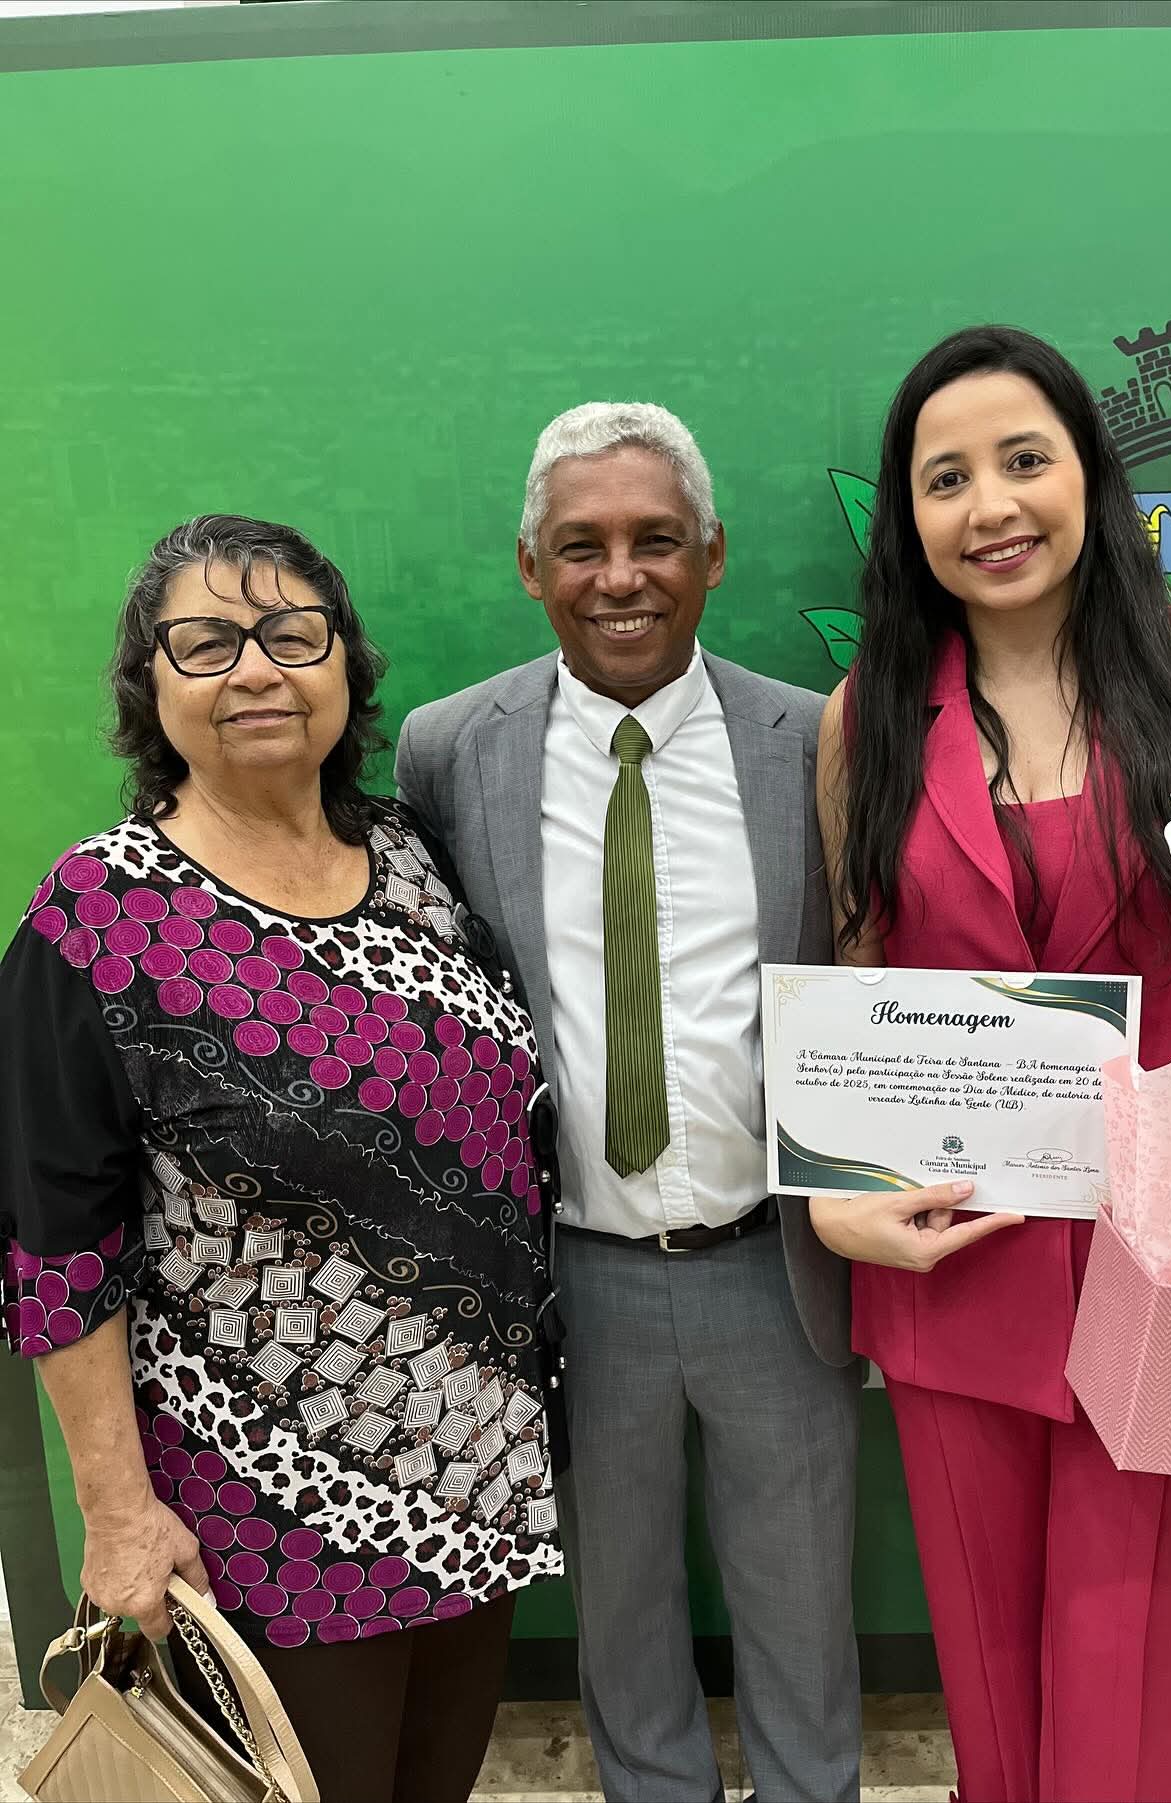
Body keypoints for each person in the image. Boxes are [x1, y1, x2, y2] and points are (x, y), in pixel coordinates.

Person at [811, 327, 1171, 1803]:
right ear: (909, 516)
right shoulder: (866, 717)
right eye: (947, 477)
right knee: (992, 1687)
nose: (991, 505)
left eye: (1025, 459)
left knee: (1136, 1678)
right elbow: (860, 989)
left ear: (1089, 471)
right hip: (961, 1254)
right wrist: (835, 1198)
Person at [0, 516, 563, 1803]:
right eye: (205, 644)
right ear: (150, 685)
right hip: (262, 1514)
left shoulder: (414, 858)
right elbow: (53, 1245)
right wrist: (118, 1513)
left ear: (345, 664)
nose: (255, 669)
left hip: (476, 1475)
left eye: (292, 635)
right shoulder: (98, 918)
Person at [397, 403, 862, 1803]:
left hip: (776, 1267)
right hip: (571, 1277)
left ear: (712, 554)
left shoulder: (814, 740)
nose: (621, 577)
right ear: (529, 565)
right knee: (620, 1614)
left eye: (656, 540)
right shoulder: (448, 750)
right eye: (581, 545)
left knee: (804, 1609)